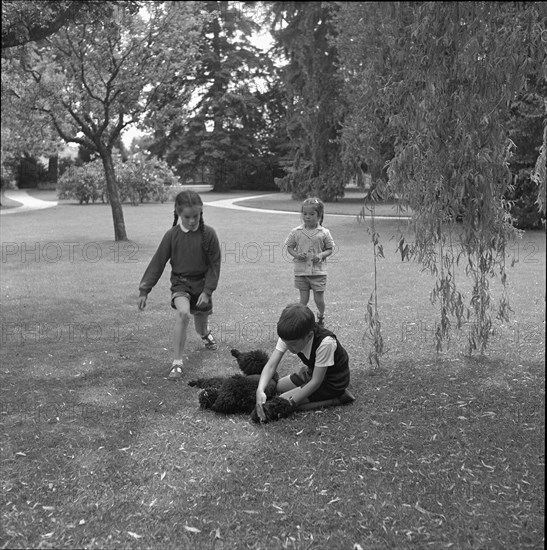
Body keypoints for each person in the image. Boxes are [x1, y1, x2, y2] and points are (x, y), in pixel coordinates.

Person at [138, 190, 221, 379]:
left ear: (201, 212)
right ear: (178, 212)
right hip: (181, 284)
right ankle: (177, 362)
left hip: (202, 286)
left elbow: (215, 265)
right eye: (187, 217)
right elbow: (158, 262)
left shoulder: (209, 235)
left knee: (200, 327)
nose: (192, 221)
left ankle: (205, 334)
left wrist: (207, 291)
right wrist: (145, 289)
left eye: (196, 216)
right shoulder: (171, 235)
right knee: (183, 314)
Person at [255, 303, 353, 421]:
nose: (289, 348)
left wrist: (290, 403)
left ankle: (338, 398)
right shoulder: (289, 335)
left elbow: (316, 382)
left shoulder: (326, 343)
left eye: (293, 345)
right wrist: (260, 390)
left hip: (331, 382)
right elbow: (271, 365)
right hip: (311, 373)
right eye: (287, 344)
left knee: (284, 401)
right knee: (278, 386)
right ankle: (303, 390)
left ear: (309, 335)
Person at [285, 197, 334, 327]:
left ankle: (321, 316)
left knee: (319, 300)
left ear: (319, 215)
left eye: (312, 214)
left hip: (318, 272)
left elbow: (330, 249)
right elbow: (289, 247)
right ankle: (301, 321)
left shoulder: (324, 232)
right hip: (301, 272)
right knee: (303, 300)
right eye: (305, 214)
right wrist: (297, 255)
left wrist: (321, 255)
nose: (307, 217)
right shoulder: (296, 232)